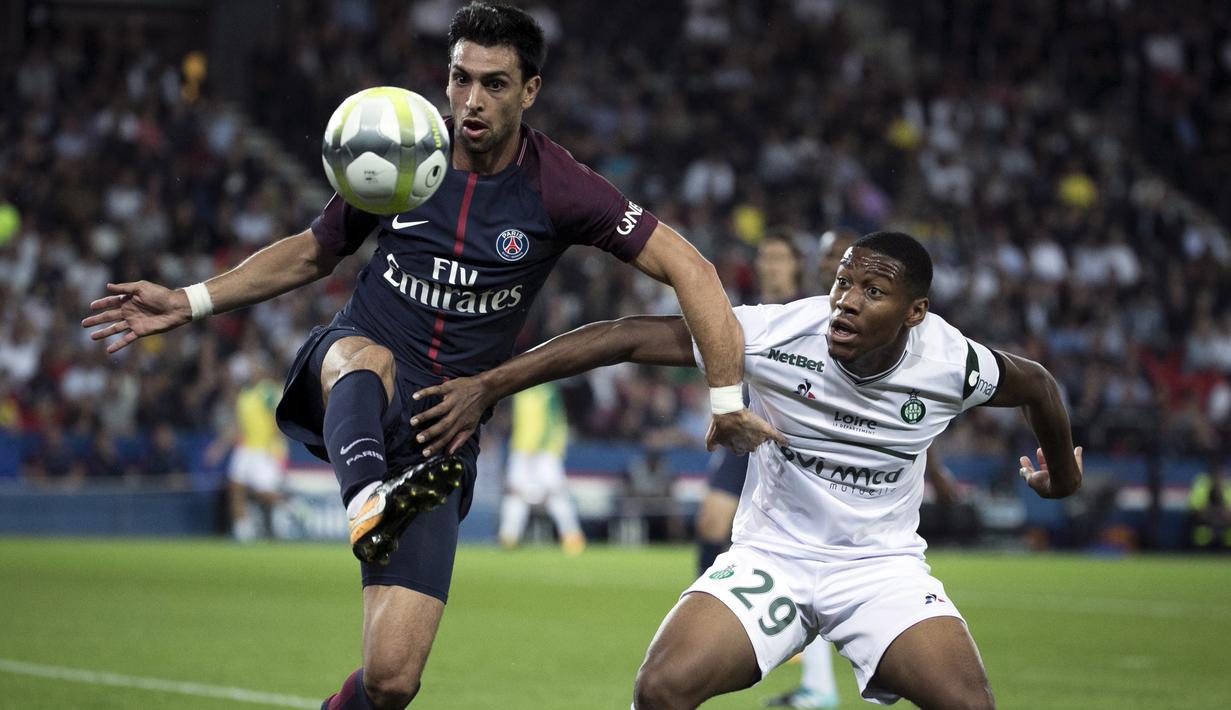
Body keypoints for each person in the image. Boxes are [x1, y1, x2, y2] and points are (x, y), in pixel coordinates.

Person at [82, 4, 765, 708]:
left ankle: (380, 515)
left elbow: (691, 268)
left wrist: (724, 399)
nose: (472, 100)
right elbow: (314, 252)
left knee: (391, 681)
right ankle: (366, 502)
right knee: (367, 357)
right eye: (461, 78)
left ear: (530, 90)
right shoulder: (403, 152)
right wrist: (190, 300)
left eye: (494, 84)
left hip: (442, 432)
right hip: (354, 376)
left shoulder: (560, 187)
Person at [412, 231, 1083, 709]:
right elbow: (623, 336)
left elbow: (1040, 386)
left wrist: (1062, 475)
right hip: (773, 558)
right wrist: (490, 385)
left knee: (970, 705)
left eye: (872, 291)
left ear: (915, 313)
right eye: (843, 282)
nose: (846, 301)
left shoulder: (952, 364)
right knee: (660, 689)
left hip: (879, 568)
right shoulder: (776, 335)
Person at [207, 357, 291, 541]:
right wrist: (219, 447)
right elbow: (237, 425)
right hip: (244, 448)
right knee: (235, 486)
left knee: (263, 493)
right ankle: (242, 528)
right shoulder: (244, 395)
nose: (251, 371)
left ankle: (290, 507)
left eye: (255, 367)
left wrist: (278, 448)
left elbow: (277, 417)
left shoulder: (268, 391)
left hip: (263, 450)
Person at [497, 381, 586, 555]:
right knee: (515, 493)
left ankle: (572, 535)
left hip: (544, 451)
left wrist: (542, 446)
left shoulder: (547, 390)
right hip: (522, 448)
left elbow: (554, 421)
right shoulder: (520, 390)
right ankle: (508, 536)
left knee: (555, 493)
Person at [1187, 451, 1230, 551]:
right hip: (1204, 521)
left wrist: (1223, 514)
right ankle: (1200, 553)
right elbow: (1195, 509)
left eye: (1221, 473)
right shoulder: (1202, 484)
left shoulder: (1228, 486)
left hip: (1225, 522)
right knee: (1202, 533)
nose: (1219, 477)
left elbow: (1228, 513)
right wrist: (1212, 513)